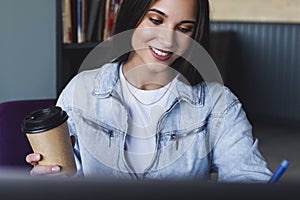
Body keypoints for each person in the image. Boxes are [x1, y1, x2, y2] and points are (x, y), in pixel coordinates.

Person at [26, 0, 273, 182]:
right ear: (133, 16)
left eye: (184, 28)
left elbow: (249, 177)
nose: (167, 41)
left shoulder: (217, 104)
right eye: (156, 20)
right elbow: (67, 179)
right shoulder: (81, 91)